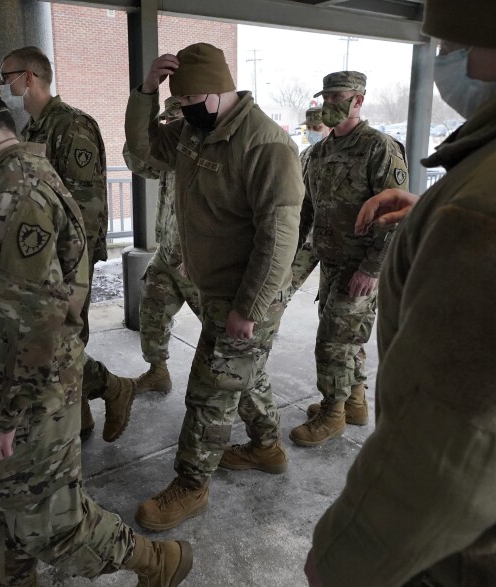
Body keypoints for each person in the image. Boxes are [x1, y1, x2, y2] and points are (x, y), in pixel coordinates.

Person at [305, 1, 496, 585]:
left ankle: (340, 405)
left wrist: (340, 562)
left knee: (338, 341)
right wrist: (433, 214)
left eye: (453, 42)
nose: (446, 60)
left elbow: (452, 458)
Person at [0, 60, 192, 587]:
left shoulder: (20, 195)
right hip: (2, 386)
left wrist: (2, 417)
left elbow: (38, 326)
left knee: (51, 528)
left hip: (31, 395)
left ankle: (159, 562)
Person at [125, 43, 303, 531]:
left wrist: (249, 309)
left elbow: (279, 237)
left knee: (210, 390)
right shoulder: (193, 133)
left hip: (250, 294)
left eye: (190, 102)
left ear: (221, 90)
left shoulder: (265, 144)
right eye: (177, 105)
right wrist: (145, 92)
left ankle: (191, 484)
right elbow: (141, 149)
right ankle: (267, 447)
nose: (183, 113)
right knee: (243, 374)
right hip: (214, 289)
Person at [0, 46, 137, 443]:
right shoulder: (32, 129)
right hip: (41, 258)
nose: (3, 83)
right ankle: (80, 416)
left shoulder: (71, 125)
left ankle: (112, 389)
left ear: (29, 77)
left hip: (65, 260)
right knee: (56, 341)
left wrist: (63, 263)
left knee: (64, 342)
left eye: (7, 75)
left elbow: (86, 206)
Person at [288, 71, 408, 448]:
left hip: (360, 264)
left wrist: (372, 268)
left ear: (359, 100)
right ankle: (354, 403)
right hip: (330, 260)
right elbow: (308, 210)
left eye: (338, 97)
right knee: (346, 338)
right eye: (325, 98)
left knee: (332, 343)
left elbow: (395, 213)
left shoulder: (379, 147)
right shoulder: (319, 153)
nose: (329, 106)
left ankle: (333, 413)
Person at [122, 97, 202, 393]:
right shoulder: (169, 154)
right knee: (152, 312)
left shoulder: (211, 147)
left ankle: (244, 402)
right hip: (167, 253)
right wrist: (151, 127)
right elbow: (138, 161)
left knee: (224, 337)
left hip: (199, 261)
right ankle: (157, 371)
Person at [285, 106, 331, 303]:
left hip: (335, 239)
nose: (313, 131)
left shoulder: (348, 156)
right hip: (306, 235)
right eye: (310, 127)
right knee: (282, 287)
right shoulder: (306, 155)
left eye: (317, 127)